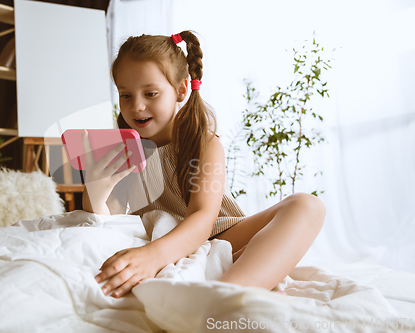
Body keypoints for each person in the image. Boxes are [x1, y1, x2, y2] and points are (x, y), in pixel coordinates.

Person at [81, 31, 326, 299]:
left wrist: (153, 257)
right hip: (160, 240)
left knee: (307, 205)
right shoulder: (125, 150)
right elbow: (107, 223)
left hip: (218, 238)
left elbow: (203, 217)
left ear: (181, 89)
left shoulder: (204, 143)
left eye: (150, 93)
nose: (137, 106)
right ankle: (223, 298)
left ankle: (225, 298)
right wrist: (95, 189)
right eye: (125, 95)